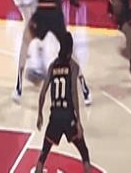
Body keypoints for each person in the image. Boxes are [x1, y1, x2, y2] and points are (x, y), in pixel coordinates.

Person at [35, 33, 91, 173]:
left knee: (43, 155)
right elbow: (73, 93)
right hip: (68, 116)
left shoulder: (52, 66)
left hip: (55, 116)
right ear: (71, 49)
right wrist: (78, 121)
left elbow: (42, 93)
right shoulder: (73, 66)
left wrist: (40, 114)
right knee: (84, 152)